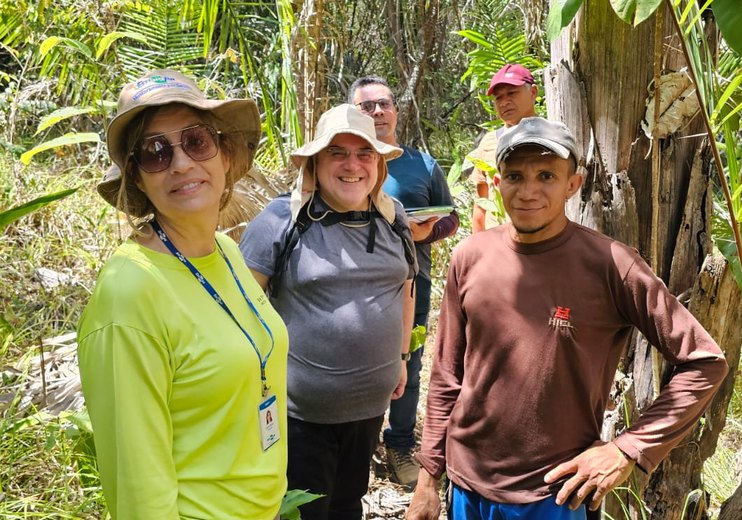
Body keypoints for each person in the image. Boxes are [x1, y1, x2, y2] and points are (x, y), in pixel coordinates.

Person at [407, 117, 728, 519]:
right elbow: (446, 376)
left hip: (555, 495)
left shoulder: (611, 264)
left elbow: (705, 362)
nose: (528, 191)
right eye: (514, 175)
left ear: (572, 185)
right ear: (499, 180)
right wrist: (428, 477)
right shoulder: (469, 257)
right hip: (468, 488)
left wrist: (627, 449)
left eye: (546, 175)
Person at [77, 69, 288, 519]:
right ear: (135, 177)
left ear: (225, 154)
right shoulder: (130, 291)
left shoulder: (227, 251)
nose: (181, 163)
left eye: (196, 141)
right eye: (155, 152)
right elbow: (137, 486)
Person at [239, 104, 418, 520]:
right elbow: (240, 309)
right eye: (338, 152)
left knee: (347, 503)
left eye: (365, 154)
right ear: (315, 164)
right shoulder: (282, 220)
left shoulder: (393, 218)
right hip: (301, 416)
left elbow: (405, 285)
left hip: (371, 407)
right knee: (306, 512)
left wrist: (403, 357)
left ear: (378, 164)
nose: (352, 165)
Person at [347, 76, 459, 487]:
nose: (377, 112)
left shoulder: (422, 165)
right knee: (355, 358)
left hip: (414, 279)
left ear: (396, 110)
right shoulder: (344, 162)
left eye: (384, 104)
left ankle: (398, 444)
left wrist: (427, 232)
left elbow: (451, 216)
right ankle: (356, 441)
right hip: (352, 282)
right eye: (367, 106)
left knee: (408, 362)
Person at [468, 63, 538, 233]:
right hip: (499, 244)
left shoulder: (553, 137)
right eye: (498, 98)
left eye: (512, 93)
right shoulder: (489, 142)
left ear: (533, 92)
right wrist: (479, 249)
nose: (505, 102)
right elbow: (481, 202)